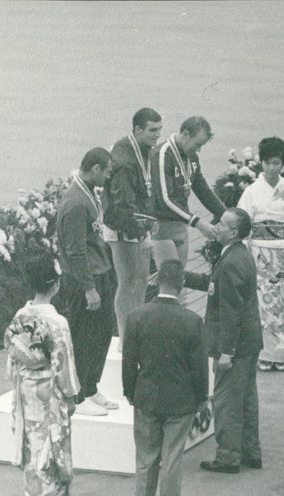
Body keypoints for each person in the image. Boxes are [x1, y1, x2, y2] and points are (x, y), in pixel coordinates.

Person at [123, 259, 208, 496]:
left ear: (157, 281)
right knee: (172, 457)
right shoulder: (192, 321)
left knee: (145, 458)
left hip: (146, 397)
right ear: (182, 284)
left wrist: (130, 391)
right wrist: (201, 397)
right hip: (180, 400)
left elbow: (128, 361)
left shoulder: (136, 316)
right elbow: (199, 367)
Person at [184, 208, 263, 474]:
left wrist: (226, 352)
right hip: (249, 342)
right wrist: (184, 277)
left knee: (227, 399)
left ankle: (228, 456)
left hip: (234, 346)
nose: (216, 226)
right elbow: (214, 285)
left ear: (235, 232)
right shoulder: (239, 255)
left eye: (223, 224)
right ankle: (250, 451)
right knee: (247, 398)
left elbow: (230, 312)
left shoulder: (229, 262)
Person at [4, 254, 80, 496]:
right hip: (49, 387)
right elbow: (63, 362)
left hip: (25, 385)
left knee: (29, 440)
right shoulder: (57, 323)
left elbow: (13, 353)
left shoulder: (20, 316)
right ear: (55, 284)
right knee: (51, 440)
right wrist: (70, 395)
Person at [237, 136, 284, 372]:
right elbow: (242, 222)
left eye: (276, 163)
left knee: (281, 303)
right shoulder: (251, 192)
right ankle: (263, 354)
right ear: (261, 163)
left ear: (283, 164)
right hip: (259, 253)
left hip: (283, 254)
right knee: (261, 304)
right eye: (267, 163)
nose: (271, 167)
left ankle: (280, 355)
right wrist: (244, 252)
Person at [56, 147, 118, 416]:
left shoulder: (88, 193)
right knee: (83, 336)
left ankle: (90, 387)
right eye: (107, 171)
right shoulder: (75, 202)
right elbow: (74, 250)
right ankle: (77, 397)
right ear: (95, 169)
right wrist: (89, 288)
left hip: (100, 273)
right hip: (84, 281)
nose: (109, 176)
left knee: (102, 332)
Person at [104, 108, 163, 344]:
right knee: (128, 281)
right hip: (122, 227)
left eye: (159, 129)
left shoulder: (141, 148)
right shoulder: (125, 161)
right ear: (138, 129)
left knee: (140, 279)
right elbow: (122, 207)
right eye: (152, 130)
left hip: (136, 225)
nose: (157, 135)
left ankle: (134, 330)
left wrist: (149, 222)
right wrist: (142, 235)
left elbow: (142, 193)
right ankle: (124, 335)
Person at [150, 116, 226, 268]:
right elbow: (165, 200)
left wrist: (225, 214)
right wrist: (198, 223)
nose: (198, 150)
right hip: (161, 226)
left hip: (180, 224)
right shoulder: (162, 154)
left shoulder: (191, 156)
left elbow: (201, 188)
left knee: (179, 281)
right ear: (185, 134)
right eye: (197, 144)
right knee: (168, 281)